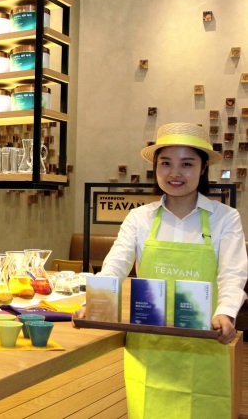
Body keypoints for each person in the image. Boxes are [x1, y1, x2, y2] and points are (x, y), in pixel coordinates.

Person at [74, 122, 247, 418]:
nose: (174, 173)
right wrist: (95, 301)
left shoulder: (224, 218)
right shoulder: (139, 218)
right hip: (148, 341)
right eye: (165, 163)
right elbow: (115, 265)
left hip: (203, 339)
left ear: (203, 168)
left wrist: (226, 312)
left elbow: (232, 274)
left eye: (186, 164)